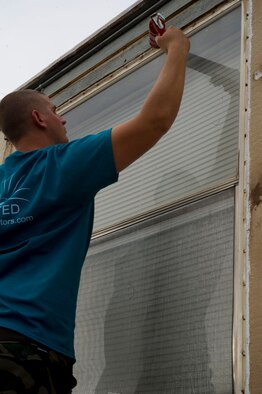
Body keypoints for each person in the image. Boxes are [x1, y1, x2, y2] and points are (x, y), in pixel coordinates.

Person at [0, 26, 190, 393]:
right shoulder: (63, 165)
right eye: (56, 110)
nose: (64, 118)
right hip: (25, 349)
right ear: (39, 119)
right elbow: (155, 121)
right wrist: (178, 48)